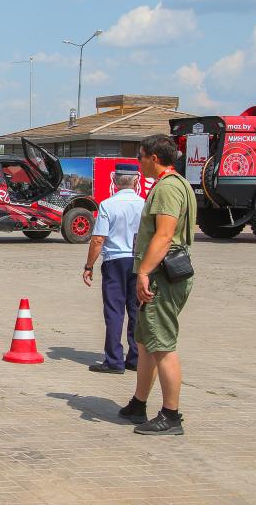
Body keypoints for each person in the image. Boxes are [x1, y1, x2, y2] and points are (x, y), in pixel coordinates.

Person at [119, 134, 196, 436]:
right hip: (160, 274)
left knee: (162, 345)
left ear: (154, 157)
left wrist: (143, 273)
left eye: (140, 156)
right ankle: (139, 403)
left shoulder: (167, 189)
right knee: (146, 341)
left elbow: (164, 235)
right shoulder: (176, 184)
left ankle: (171, 415)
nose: (138, 162)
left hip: (162, 276)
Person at [82, 163, 145, 374]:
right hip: (138, 260)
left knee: (114, 311)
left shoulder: (108, 205)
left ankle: (114, 360)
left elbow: (98, 239)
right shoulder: (144, 204)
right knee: (136, 311)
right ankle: (135, 358)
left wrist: (88, 266)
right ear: (136, 180)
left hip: (115, 261)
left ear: (115, 181)